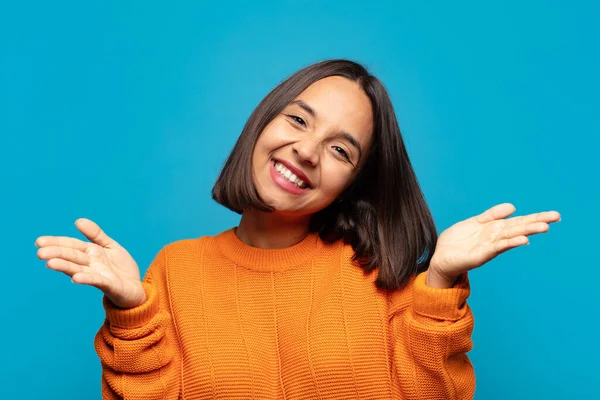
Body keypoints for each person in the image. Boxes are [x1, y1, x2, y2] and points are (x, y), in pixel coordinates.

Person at [36, 59, 560, 399]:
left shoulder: (382, 276)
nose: (306, 152)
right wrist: (132, 314)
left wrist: (441, 280)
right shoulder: (176, 269)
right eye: (298, 120)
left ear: (351, 183)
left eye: (340, 149)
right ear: (263, 123)